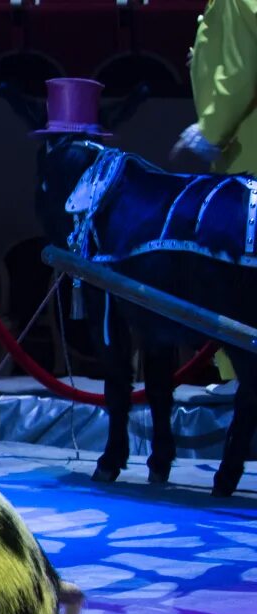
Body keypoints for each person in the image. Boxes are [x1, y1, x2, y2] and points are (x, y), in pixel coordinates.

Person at [174, 0, 257, 386]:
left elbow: (240, 74)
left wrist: (210, 130)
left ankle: (241, 383)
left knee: (238, 278)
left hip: (247, 163)